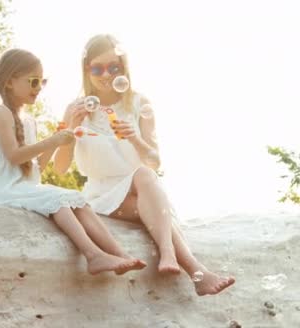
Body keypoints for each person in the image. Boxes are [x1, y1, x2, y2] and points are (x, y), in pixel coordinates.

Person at [53, 34, 235, 295]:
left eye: (113, 68)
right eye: (97, 68)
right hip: (102, 194)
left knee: (145, 174)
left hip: (143, 188)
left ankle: (177, 259)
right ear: (86, 69)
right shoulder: (76, 109)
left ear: (123, 69)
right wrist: (70, 129)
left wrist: (135, 138)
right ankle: (193, 268)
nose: (106, 74)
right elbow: (59, 168)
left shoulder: (138, 103)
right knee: (147, 186)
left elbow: (154, 160)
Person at [0, 48, 146, 275]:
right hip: (1, 190)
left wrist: (60, 141)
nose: (39, 88)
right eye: (34, 81)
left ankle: (120, 255)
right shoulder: (0, 113)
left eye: (42, 82)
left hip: (23, 187)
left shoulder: (28, 121)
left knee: (76, 199)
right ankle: (93, 255)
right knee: (59, 200)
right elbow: (14, 156)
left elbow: (35, 166)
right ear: (10, 82)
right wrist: (51, 141)